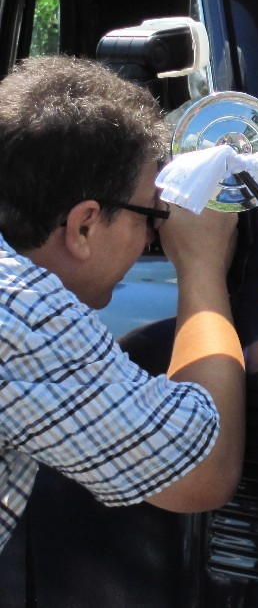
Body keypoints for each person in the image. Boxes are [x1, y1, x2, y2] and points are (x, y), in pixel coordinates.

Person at [0, 56, 243, 554]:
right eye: (151, 215)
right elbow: (200, 470)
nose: (153, 235)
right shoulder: (26, 312)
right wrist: (201, 265)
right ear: (84, 226)